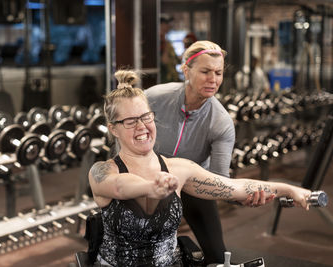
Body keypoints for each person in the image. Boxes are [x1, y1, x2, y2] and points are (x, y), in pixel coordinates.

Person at [88, 69, 312, 266]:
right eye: (130, 121)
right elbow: (119, 187)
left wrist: (289, 189)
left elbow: (234, 186)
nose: (142, 126)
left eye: (146, 117)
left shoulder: (178, 168)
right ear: (113, 129)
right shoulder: (103, 171)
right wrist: (151, 188)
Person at [144, 40, 238, 264]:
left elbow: (219, 181)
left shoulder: (221, 122)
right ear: (186, 70)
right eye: (205, 71)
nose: (213, 80)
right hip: (148, 180)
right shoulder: (153, 97)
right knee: (142, 253)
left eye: (218, 72)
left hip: (195, 187)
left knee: (217, 253)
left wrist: (243, 196)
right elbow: (122, 131)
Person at [160, 14, 180, 83]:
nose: (169, 26)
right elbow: (164, 61)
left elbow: (175, 59)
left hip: (172, 78)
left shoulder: (165, 40)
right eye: (166, 24)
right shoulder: (159, 41)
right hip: (164, 79)